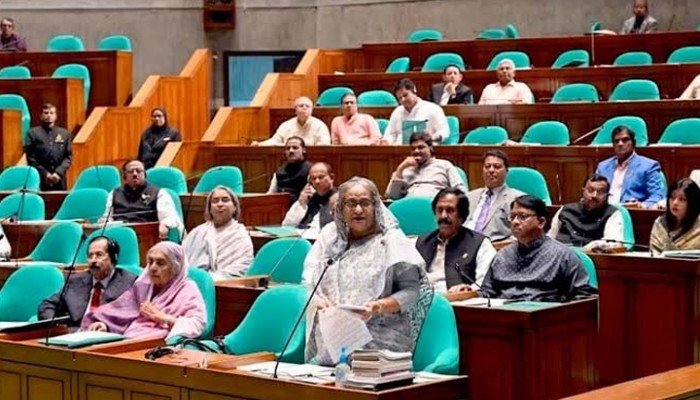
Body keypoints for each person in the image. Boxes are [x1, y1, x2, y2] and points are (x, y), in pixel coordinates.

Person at [303, 177, 431, 366]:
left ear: (376, 206)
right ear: (340, 208)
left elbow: (412, 292)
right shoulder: (330, 238)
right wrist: (316, 302)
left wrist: (377, 307)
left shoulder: (392, 240)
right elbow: (308, 281)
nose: (358, 210)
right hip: (332, 339)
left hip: (379, 340)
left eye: (365, 203)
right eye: (350, 203)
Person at [480, 195, 597, 302]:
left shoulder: (562, 255)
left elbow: (585, 296)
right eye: (512, 216)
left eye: (522, 217)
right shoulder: (502, 255)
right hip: (505, 317)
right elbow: (487, 292)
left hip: (546, 319)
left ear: (541, 222)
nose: (515, 222)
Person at [82, 242, 206, 340]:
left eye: (160, 263)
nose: (152, 268)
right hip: (129, 340)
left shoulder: (187, 288)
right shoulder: (143, 287)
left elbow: (197, 324)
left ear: (175, 268)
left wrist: (162, 318)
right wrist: (105, 325)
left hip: (160, 346)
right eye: (150, 262)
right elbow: (122, 314)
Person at [38, 236, 137, 327]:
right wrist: (56, 326)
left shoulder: (129, 282)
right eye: (90, 256)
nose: (93, 260)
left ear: (114, 258)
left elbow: (134, 315)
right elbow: (47, 306)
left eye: (99, 255)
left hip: (109, 336)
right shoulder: (75, 281)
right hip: (74, 334)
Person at [416, 188, 496, 293]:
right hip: (422, 299)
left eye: (450, 210)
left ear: (461, 216)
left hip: (458, 301)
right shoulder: (422, 241)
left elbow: (485, 282)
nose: (443, 216)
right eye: (440, 210)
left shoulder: (480, 243)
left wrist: (469, 289)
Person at [182, 185, 253, 280]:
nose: (220, 204)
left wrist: (209, 279)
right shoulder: (198, 232)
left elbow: (242, 266)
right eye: (215, 201)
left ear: (235, 207)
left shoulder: (240, 234)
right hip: (191, 282)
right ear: (209, 208)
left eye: (225, 200)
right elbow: (181, 261)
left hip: (223, 285)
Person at [102, 160, 184, 240]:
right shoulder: (114, 194)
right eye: (131, 171)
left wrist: (165, 224)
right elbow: (107, 219)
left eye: (138, 171)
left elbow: (169, 216)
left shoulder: (159, 193)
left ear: (144, 174)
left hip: (149, 237)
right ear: (124, 176)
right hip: (120, 237)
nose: (135, 174)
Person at [548, 174, 625, 251]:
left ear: (607, 196)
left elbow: (614, 243)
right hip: (559, 254)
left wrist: (596, 244)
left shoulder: (612, 213)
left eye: (601, 192)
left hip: (591, 257)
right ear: (583, 191)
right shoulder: (565, 209)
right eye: (590, 190)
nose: (594, 195)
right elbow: (550, 237)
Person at [595, 125, 665, 208]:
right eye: (616, 141)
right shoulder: (603, 166)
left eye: (625, 140)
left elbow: (657, 197)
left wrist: (641, 206)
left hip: (630, 214)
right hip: (602, 212)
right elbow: (593, 190)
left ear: (633, 143)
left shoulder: (649, 166)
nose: (620, 144)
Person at [464, 150, 524, 242]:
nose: (491, 170)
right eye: (487, 166)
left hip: (495, 248)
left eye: (497, 167)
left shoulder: (517, 199)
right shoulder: (469, 197)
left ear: (506, 171)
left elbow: (521, 233)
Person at [386, 132, 466, 200]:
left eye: (421, 147)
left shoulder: (444, 165)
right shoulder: (405, 169)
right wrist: (401, 168)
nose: (416, 151)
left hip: (434, 207)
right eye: (413, 148)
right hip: (409, 208)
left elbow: (461, 191)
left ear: (430, 148)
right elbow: (392, 195)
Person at [384, 78, 450, 145]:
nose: (403, 100)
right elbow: (390, 134)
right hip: (399, 150)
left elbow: (444, 131)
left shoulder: (433, 108)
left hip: (424, 149)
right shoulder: (397, 112)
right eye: (400, 98)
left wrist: (433, 137)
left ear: (414, 91)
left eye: (405, 95)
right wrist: (386, 141)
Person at [25, 103, 72, 191]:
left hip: (59, 178)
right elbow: (31, 158)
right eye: (46, 113)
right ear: (41, 116)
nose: (49, 115)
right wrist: (46, 174)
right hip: (40, 177)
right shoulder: (33, 133)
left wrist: (58, 173)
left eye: (51, 113)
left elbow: (68, 157)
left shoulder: (64, 133)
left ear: (56, 116)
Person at [282, 162, 337, 234]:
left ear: (332, 178)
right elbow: (286, 226)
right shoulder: (308, 198)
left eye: (321, 177)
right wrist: (301, 204)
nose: (317, 181)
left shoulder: (338, 199)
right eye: (313, 178)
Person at [252, 96, 330, 146]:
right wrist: (259, 144)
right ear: (295, 110)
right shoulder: (286, 125)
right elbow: (275, 141)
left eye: (307, 106)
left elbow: (325, 144)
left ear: (312, 110)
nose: (304, 108)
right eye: (301, 105)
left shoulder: (320, 125)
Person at [650, 178, 700, 255]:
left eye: (682, 199)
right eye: (672, 197)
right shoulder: (659, 223)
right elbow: (654, 254)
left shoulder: (698, 226)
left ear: (692, 203)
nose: (675, 202)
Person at [267, 136, 313, 204]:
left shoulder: (311, 170)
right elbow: (271, 194)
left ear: (303, 150)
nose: (291, 151)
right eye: (288, 148)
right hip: (280, 207)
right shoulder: (279, 171)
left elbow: (312, 195)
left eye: (295, 148)